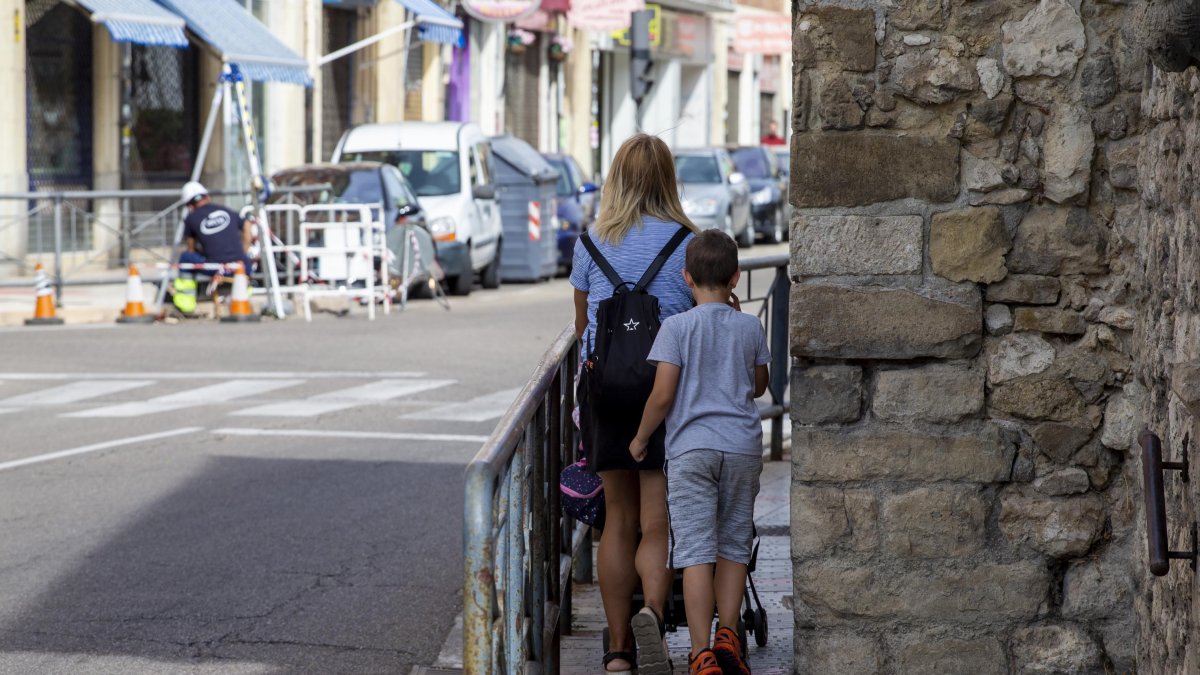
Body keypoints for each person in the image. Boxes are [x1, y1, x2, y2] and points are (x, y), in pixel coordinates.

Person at [570, 134, 699, 675]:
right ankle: (653, 615)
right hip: (665, 391)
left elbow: (582, 329)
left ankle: (619, 651)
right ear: (667, 180)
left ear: (616, 179)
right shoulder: (689, 243)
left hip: (604, 393)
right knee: (656, 522)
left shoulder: (590, 241)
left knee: (615, 520)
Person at [629, 229, 770, 675]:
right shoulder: (750, 326)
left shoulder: (675, 328)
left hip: (691, 451)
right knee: (733, 545)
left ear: (686, 277)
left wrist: (640, 437)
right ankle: (728, 635)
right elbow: (760, 385)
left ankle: (699, 652)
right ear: (735, 277)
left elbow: (663, 394)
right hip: (742, 449)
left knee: (694, 552)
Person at [179, 181, 254, 276]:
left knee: (186, 257)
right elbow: (247, 224)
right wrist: (243, 252)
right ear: (207, 197)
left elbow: (191, 249)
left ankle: (187, 290)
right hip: (242, 266)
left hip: (217, 268)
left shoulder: (191, 218)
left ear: (189, 205)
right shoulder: (226, 210)